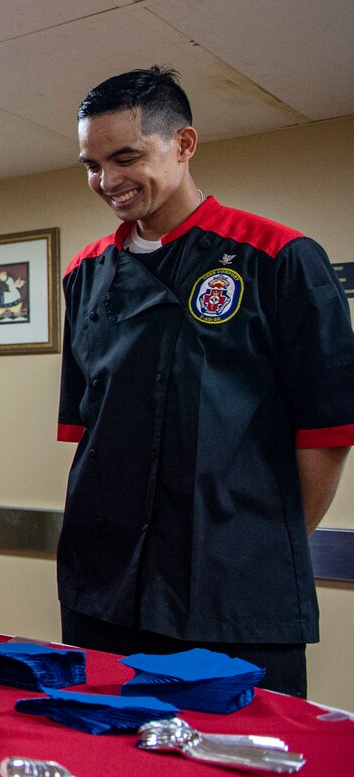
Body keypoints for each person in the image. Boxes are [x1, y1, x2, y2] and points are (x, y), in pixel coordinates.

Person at [58, 66, 354, 696]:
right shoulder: (84, 276)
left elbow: (327, 434)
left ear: (184, 144)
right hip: (104, 586)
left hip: (234, 588)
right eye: (91, 163)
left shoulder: (279, 257)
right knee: (103, 744)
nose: (107, 181)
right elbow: (87, 429)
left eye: (126, 157)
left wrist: (255, 545)